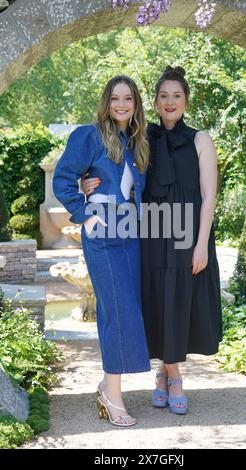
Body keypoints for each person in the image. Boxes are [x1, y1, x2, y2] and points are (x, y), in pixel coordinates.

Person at [82, 66, 222, 416]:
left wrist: (201, 243)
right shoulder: (141, 138)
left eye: (176, 95)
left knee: (179, 301)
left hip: (186, 233)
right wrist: (86, 185)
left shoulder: (200, 139)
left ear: (186, 100)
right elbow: (113, 173)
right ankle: (164, 374)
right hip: (149, 233)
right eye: (163, 96)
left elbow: (209, 196)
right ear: (155, 103)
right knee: (157, 302)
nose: (170, 101)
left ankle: (171, 376)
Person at [52, 75, 151, 427]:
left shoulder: (136, 140)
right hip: (103, 235)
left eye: (128, 99)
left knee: (130, 308)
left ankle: (108, 386)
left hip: (131, 235)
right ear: (106, 103)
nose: (121, 105)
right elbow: (63, 177)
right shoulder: (89, 135)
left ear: (136, 104)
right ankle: (112, 395)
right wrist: (83, 214)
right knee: (117, 311)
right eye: (115, 99)